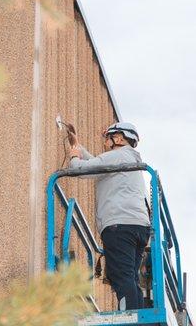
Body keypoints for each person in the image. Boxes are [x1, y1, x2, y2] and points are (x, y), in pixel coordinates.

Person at [68, 122, 150, 311]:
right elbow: (97, 165)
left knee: (121, 276)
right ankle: (137, 318)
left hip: (119, 226)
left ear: (119, 139)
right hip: (137, 227)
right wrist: (78, 147)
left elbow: (83, 169)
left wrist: (73, 158)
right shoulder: (127, 159)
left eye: (108, 137)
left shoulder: (118, 155)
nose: (105, 141)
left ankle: (129, 320)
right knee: (129, 277)